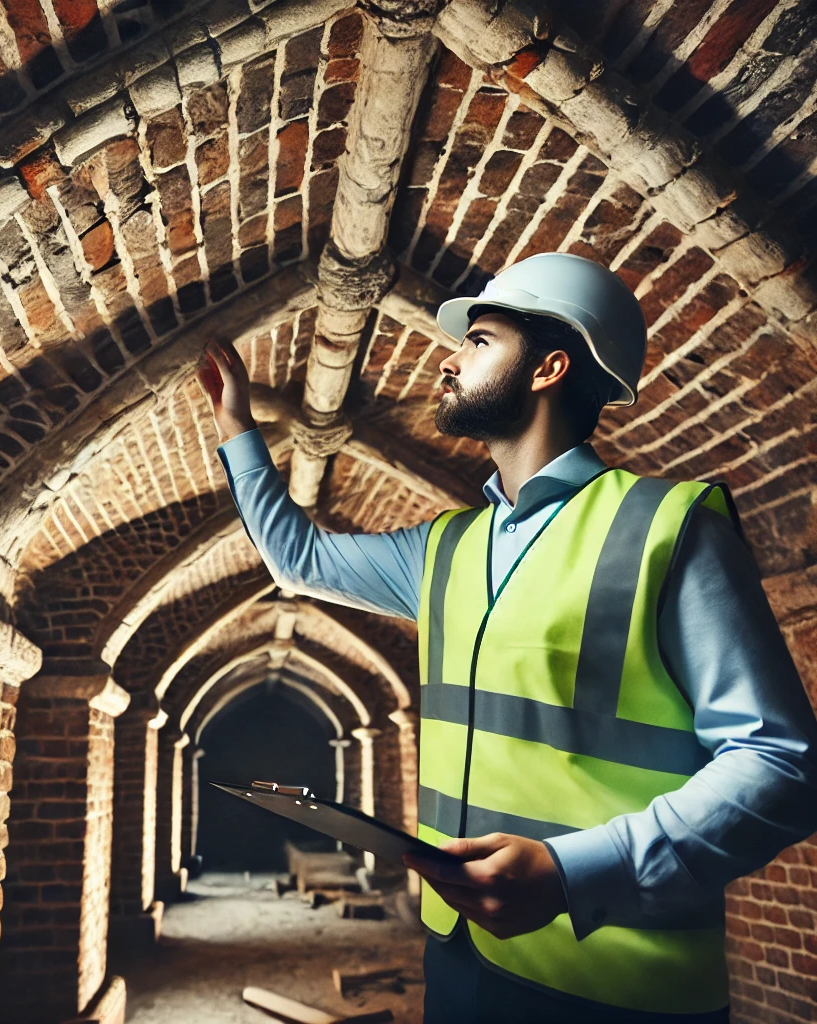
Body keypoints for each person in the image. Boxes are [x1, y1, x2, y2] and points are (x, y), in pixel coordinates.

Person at [196, 252, 817, 1023]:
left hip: (618, 985)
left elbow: (782, 765)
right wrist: (237, 429)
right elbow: (300, 558)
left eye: (479, 340)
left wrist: (569, 872)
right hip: (460, 958)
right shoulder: (445, 547)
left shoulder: (670, 528)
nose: (450, 357)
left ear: (551, 367)